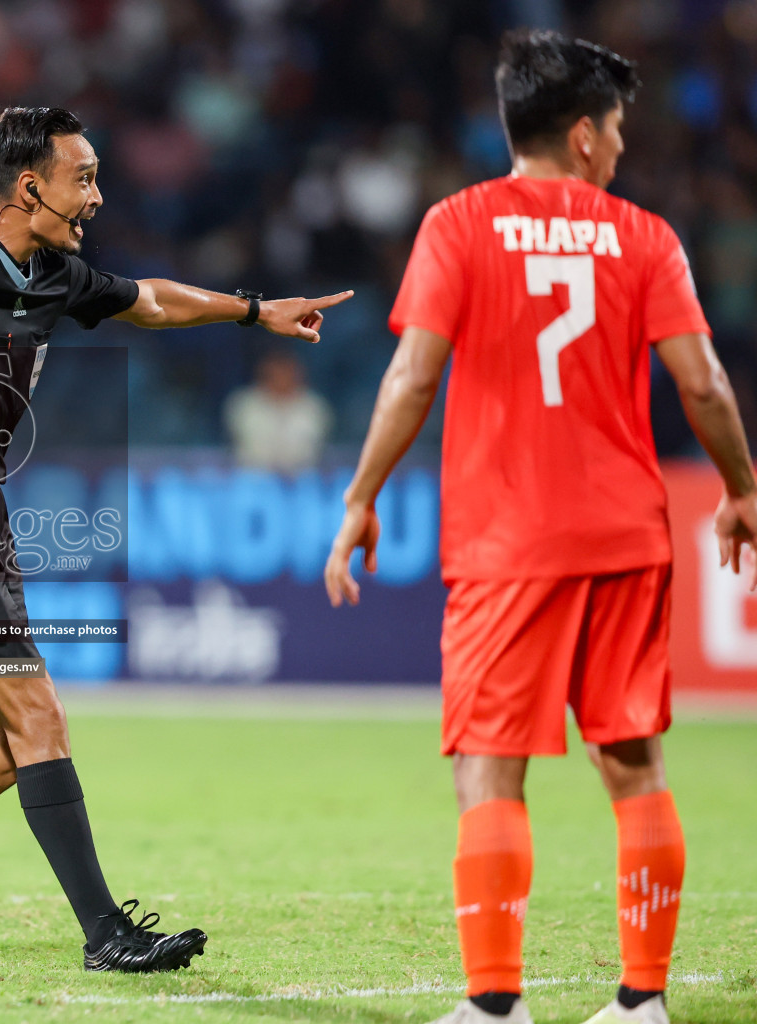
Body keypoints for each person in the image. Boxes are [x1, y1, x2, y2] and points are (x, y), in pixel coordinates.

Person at [0, 105, 353, 973]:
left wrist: (254, 310)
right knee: (39, 715)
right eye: (83, 179)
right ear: (29, 185)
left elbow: (149, 301)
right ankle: (106, 934)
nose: (98, 196)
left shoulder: (52, 272)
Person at [323, 30, 757, 1024]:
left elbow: (414, 373)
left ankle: (494, 1007)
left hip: (505, 543)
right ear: (582, 134)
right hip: (627, 537)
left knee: (489, 765)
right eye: (614, 128)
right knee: (635, 764)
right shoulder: (646, 237)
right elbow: (703, 380)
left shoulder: (460, 224)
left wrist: (361, 495)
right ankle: (641, 1003)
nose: (619, 146)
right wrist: (741, 489)